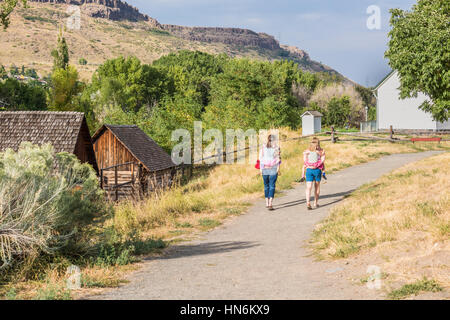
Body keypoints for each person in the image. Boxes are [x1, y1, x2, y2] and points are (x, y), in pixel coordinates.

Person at [260, 134, 281, 211]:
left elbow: (260, 159)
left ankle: (267, 202)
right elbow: (278, 159)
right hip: (273, 168)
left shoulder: (263, 148)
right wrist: (278, 169)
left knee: (266, 186)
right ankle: (270, 203)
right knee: (272, 186)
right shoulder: (276, 148)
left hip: (264, 168)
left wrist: (261, 169)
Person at [303, 141, 325, 210]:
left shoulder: (307, 152)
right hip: (317, 170)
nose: (317, 147)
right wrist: (316, 165)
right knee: (317, 186)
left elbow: (305, 160)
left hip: (309, 170)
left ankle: (308, 202)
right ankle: (315, 202)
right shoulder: (319, 152)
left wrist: (309, 165)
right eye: (316, 146)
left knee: (308, 187)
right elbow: (322, 161)